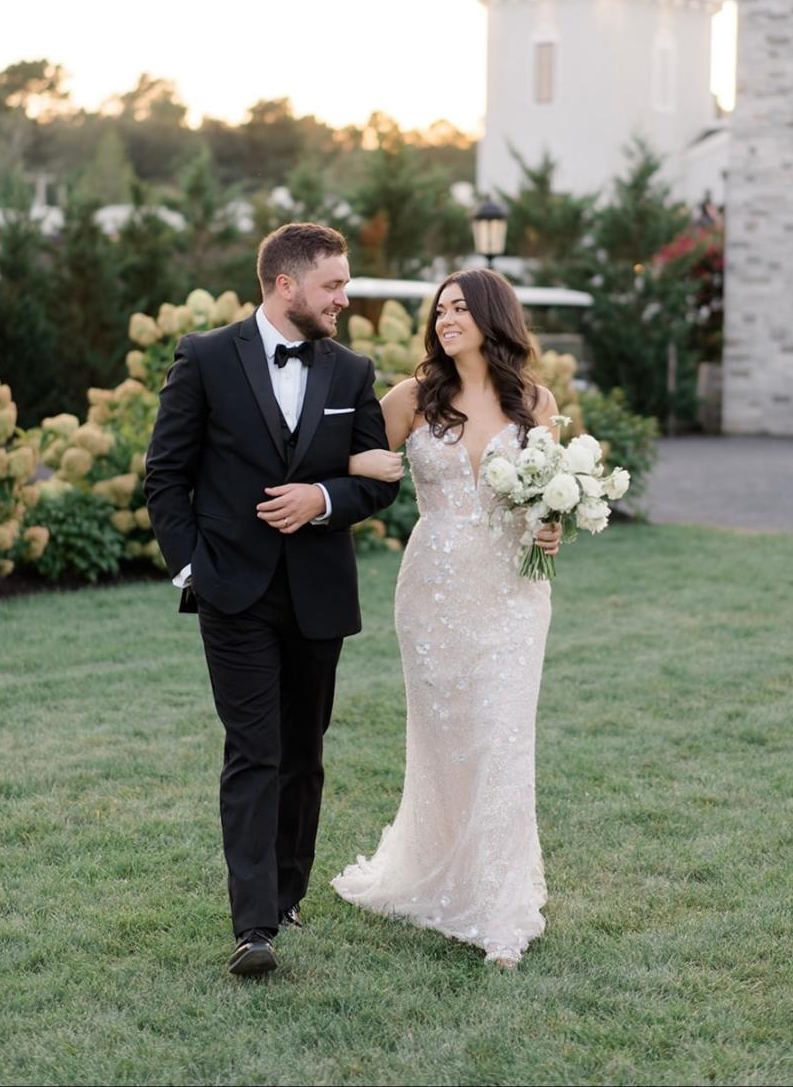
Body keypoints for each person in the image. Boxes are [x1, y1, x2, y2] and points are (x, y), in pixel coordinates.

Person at [144, 222, 399, 978]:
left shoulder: (352, 371)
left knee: (303, 753)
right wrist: (193, 568)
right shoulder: (206, 357)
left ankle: (288, 892)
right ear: (286, 284)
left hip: (318, 595)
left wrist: (322, 496)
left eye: (344, 286)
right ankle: (253, 927)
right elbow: (166, 474)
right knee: (254, 751)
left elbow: (379, 478)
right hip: (234, 591)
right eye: (333, 286)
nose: (344, 299)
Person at [333, 268, 561, 968]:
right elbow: (345, 458)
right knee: (444, 741)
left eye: (460, 309)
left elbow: (545, 496)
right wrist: (374, 463)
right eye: (441, 310)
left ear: (494, 318)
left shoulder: (535, 401)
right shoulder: (411, 397)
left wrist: (553, 527)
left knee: (501, 734)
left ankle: (499, 908)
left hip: (512, 594)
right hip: (432, 590)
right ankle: (440, 873)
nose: (445, 319)